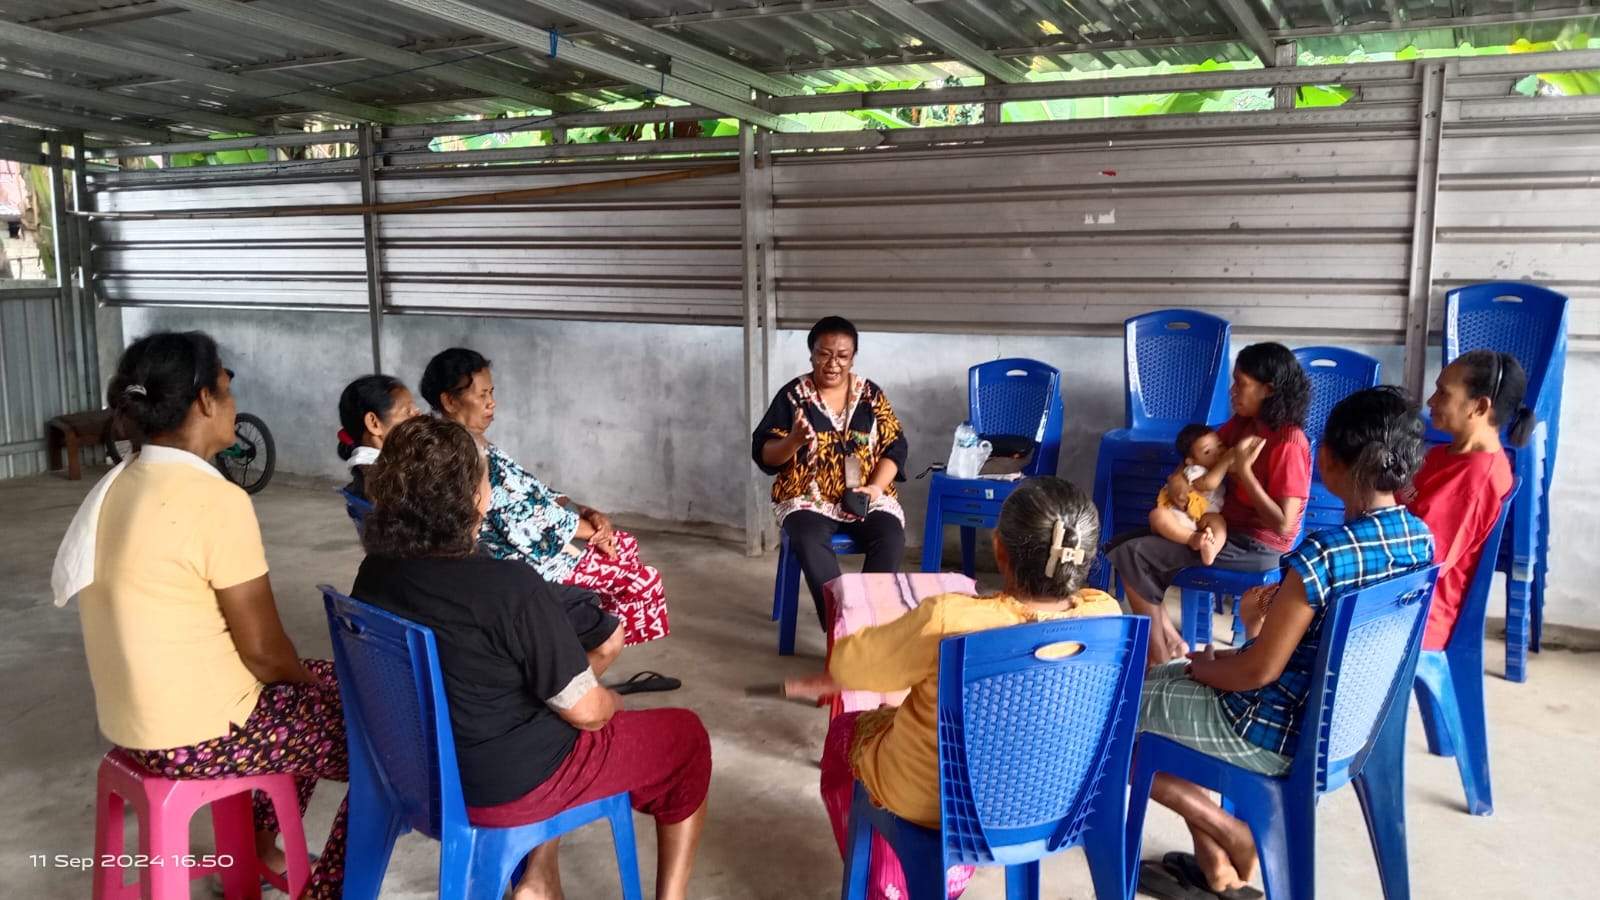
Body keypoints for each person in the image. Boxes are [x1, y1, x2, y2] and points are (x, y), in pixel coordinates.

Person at [350, 416, 710, 900]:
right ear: (475, 497)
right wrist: (611, 705)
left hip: (414, 773)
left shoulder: (374, 573)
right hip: (500, 787)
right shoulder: (510, 587)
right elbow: (585, 713)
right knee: (684, 738)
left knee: (539, 707)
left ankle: (538, 878)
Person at [51, 331, 348, 898]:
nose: (234, 405)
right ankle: (329, 888)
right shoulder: (215, 500)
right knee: (382, 738)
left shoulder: (120, 484)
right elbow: (264, 652)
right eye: (228, 390)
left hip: (129, 724)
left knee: (332, 688)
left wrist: (311, 683)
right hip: (199, 737)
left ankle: (255, 848)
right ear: (206, 401)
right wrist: (309, 685)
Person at [1133, 387, 1434, 900]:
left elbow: (1258, 674)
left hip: (1272, 732)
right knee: (1160, 684)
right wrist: (1234, 649)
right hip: (1344, 728)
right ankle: (1219, 870)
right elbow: (1295, 658)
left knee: (1115, 716)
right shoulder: (1419, 539)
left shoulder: (1324, 554)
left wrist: (1208, 664)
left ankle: (1233, 834)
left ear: (1330, 460)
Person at [784, 477, 1120, 900]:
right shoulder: (1107, 614)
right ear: (1085, 558)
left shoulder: (951, 619)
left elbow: (856, 664)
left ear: (1000, 549)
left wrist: (835, 675)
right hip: (1057, 798)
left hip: (939, 806)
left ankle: (883, 881)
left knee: (849, 730)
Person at [420, 348, 669, 647]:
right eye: (482, 394)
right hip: (522, 562)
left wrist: (585, 512)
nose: (491, 402)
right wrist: (592, 531)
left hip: (536, 545)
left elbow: (531, 490)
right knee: (643, 581)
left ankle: (580, 644)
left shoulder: (469, 439)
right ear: (449, 401)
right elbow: (523, 518)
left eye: (492, 392)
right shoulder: (461, 451)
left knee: (624, 545)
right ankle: (584, 659)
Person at [1108, 342, 1313, 667]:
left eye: (1241, 384)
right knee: (1121, 542)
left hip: (1259, 546)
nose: (1232, 391)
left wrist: (1244, 473)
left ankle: (1157, 660)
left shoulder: (1288, 443)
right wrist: (1178, 478)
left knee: (1133, 554)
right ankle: (1172, 644)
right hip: (1226, 529)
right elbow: (1200, 452)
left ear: (1268, 390)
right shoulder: (1246, 424)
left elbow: (1285, 525)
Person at [752, 316, 910, 632]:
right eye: (824, 354)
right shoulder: (794, 396)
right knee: (808, 539)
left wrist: (876, 489)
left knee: (890, 537)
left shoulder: (869, 395)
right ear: (811, 354)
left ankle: (868, 626)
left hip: (865, 493)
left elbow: (895, 446)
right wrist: (794, 439)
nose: (833, 363)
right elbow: (764, 454)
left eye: (843, 355)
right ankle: (841, 630)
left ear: (852, 357)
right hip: (807, 497)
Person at [1409, 350, 1533, 650]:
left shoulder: (1476, 477)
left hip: (1417, 612)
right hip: (1405, 594)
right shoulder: (1444, 456)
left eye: (1443, 393)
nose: (1430, 402)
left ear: (1479, 406)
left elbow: (1423, 562)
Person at [1149, 424, 1235, 567]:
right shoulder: (1195, 470)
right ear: (1191, 461)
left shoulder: (1215, 470)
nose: (1217, 453)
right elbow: (1208, 484)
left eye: (1219, 446)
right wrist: (1226, 461)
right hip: (1179, 516)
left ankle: (1212, 549)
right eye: (1208, 452)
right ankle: (1192, 538)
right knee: (1157, 515)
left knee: (1219, 523)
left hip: (1204, 518)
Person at [335, 373, 421, 499]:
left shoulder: (378, 467)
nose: (419, 416)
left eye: (415, 410)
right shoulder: (381, 480)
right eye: (408, 411)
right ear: (374, 423)